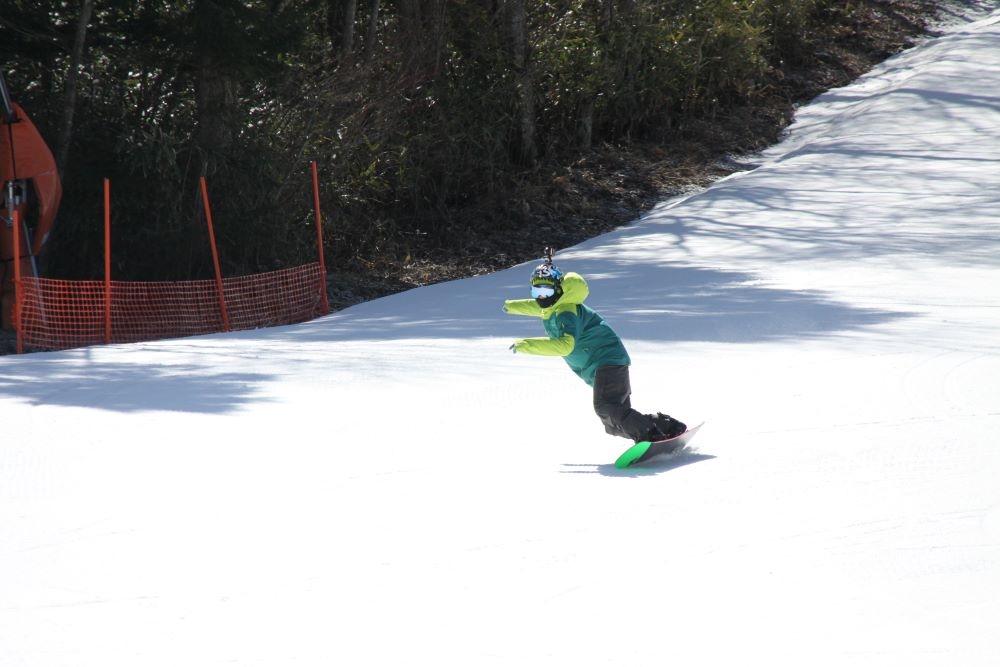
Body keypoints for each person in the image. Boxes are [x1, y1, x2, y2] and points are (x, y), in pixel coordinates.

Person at [503, 257, 686, 444]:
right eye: (536, 290)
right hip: (604, 364)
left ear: (558, 290)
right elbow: (538, 307)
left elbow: (566, 344)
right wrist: (511, 306)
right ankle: (666, 427)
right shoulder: (554, 305)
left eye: (546, 290)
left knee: (605, 407)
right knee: (613, 424)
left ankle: (648, 434)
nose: (541, 296)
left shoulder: (566, 311)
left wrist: (526, 345)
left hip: (607, 360)